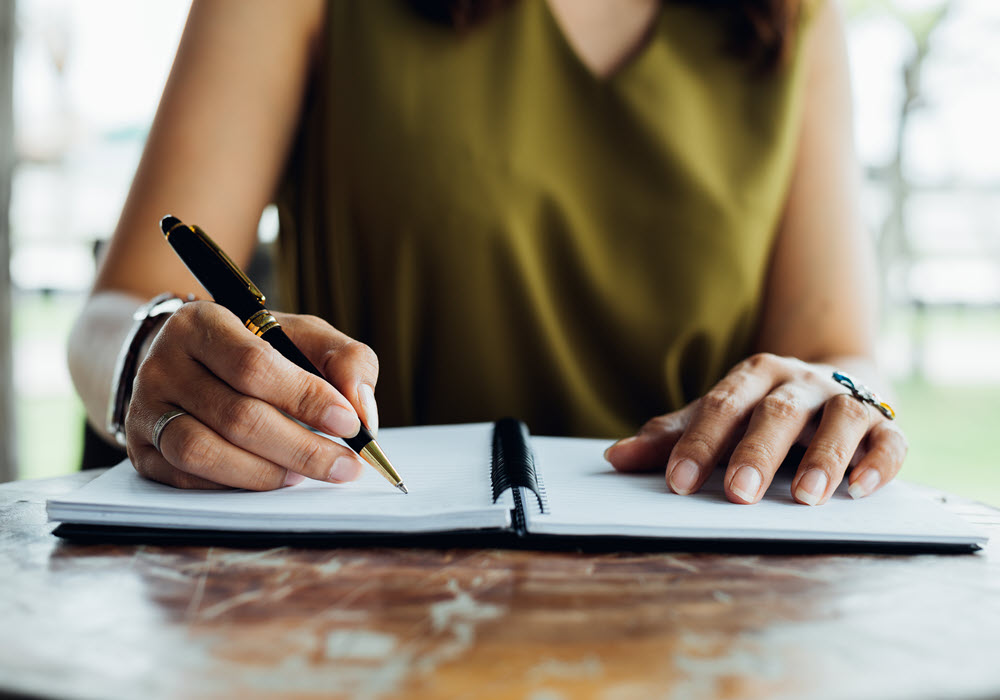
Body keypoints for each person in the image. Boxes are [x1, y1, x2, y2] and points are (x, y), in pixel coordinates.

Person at [67, 0, 907, 506]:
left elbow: (834, 356)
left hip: (711, 617)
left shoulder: (793, 19)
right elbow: (118, 311)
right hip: (351, 600)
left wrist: (832, 396)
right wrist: (150, 350)